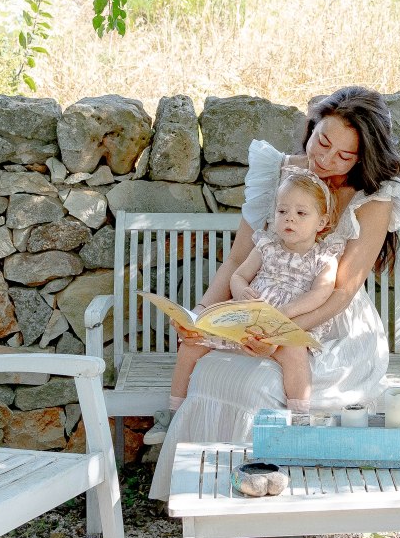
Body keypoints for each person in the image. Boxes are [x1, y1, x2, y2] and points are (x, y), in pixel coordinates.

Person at [148, 86, 400, 538]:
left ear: (364, 157)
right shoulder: (279, 174)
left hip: (329, 329)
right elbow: (236, 260)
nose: (328, 158)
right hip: (260, 313)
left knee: (265, 385)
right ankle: (218, 514)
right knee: (208, 368)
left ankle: (281, 520)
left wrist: (281, 332)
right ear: (312, 126)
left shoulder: (375, 198)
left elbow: (341, 293)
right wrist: (205, 311)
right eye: (322, 141)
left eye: (345, 154)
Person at [144, 167, 346, 446]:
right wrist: (242, 292)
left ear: (321, 221)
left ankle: (299, 419)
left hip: (283, 322)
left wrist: (284, 314)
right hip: (247, 316)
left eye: (301, 213)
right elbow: (238, 274)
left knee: (295, 353)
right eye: (282, 211)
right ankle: (172, 414)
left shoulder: (323, 257)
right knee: (191, 342)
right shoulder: (267, 246)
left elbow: (320, 294)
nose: (289, 218)